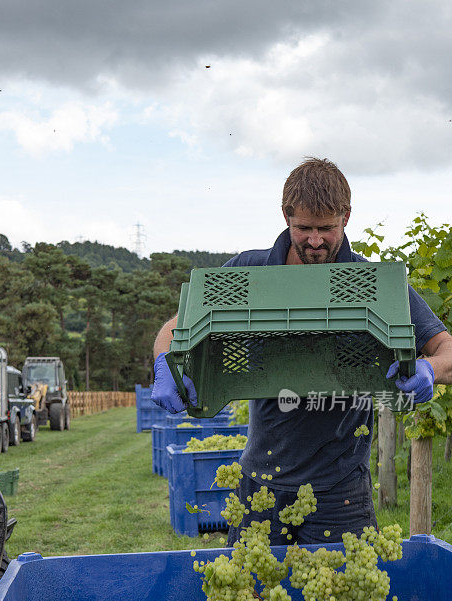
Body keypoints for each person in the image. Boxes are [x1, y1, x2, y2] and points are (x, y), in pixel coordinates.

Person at [152, 157, 452, 545]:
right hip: (260, 483)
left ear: (346, 216)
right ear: (285, 216)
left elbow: (446, 348)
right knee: (254, 600)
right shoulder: (250, 272)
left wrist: (430, 368)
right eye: (304, 228)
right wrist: (164, 363)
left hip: (342, 490)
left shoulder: (374, 283)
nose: (315, 241)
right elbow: (175, 326)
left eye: (326, 228)